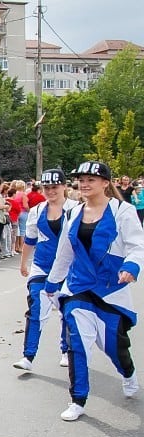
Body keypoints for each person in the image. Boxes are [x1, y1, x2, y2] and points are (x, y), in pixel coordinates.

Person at [45, 161, 144, 421]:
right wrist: (53, 282)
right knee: (77, 341)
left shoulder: (123, 211)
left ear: (104, 183)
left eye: (91, 179)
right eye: (81, 180)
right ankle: (78, 399)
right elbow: (65, 252)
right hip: (78, 285)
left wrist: (131, 266)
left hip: (110, 289)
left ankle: (128, 373)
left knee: (114, 346)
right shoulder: (73, 213)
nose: (85, 184)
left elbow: (137, 245)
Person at [14, 169, 77, 373]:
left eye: (54, 187)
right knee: (36, 308)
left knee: (68, 311)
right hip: (42, 265)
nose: (50, 191)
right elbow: (30, 239)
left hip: (70, 268)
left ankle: (66, 350)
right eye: (46, 187)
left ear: (64, 186)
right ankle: (28, 355)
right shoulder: (37, 210)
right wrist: (24, 263)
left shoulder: (76, 209)